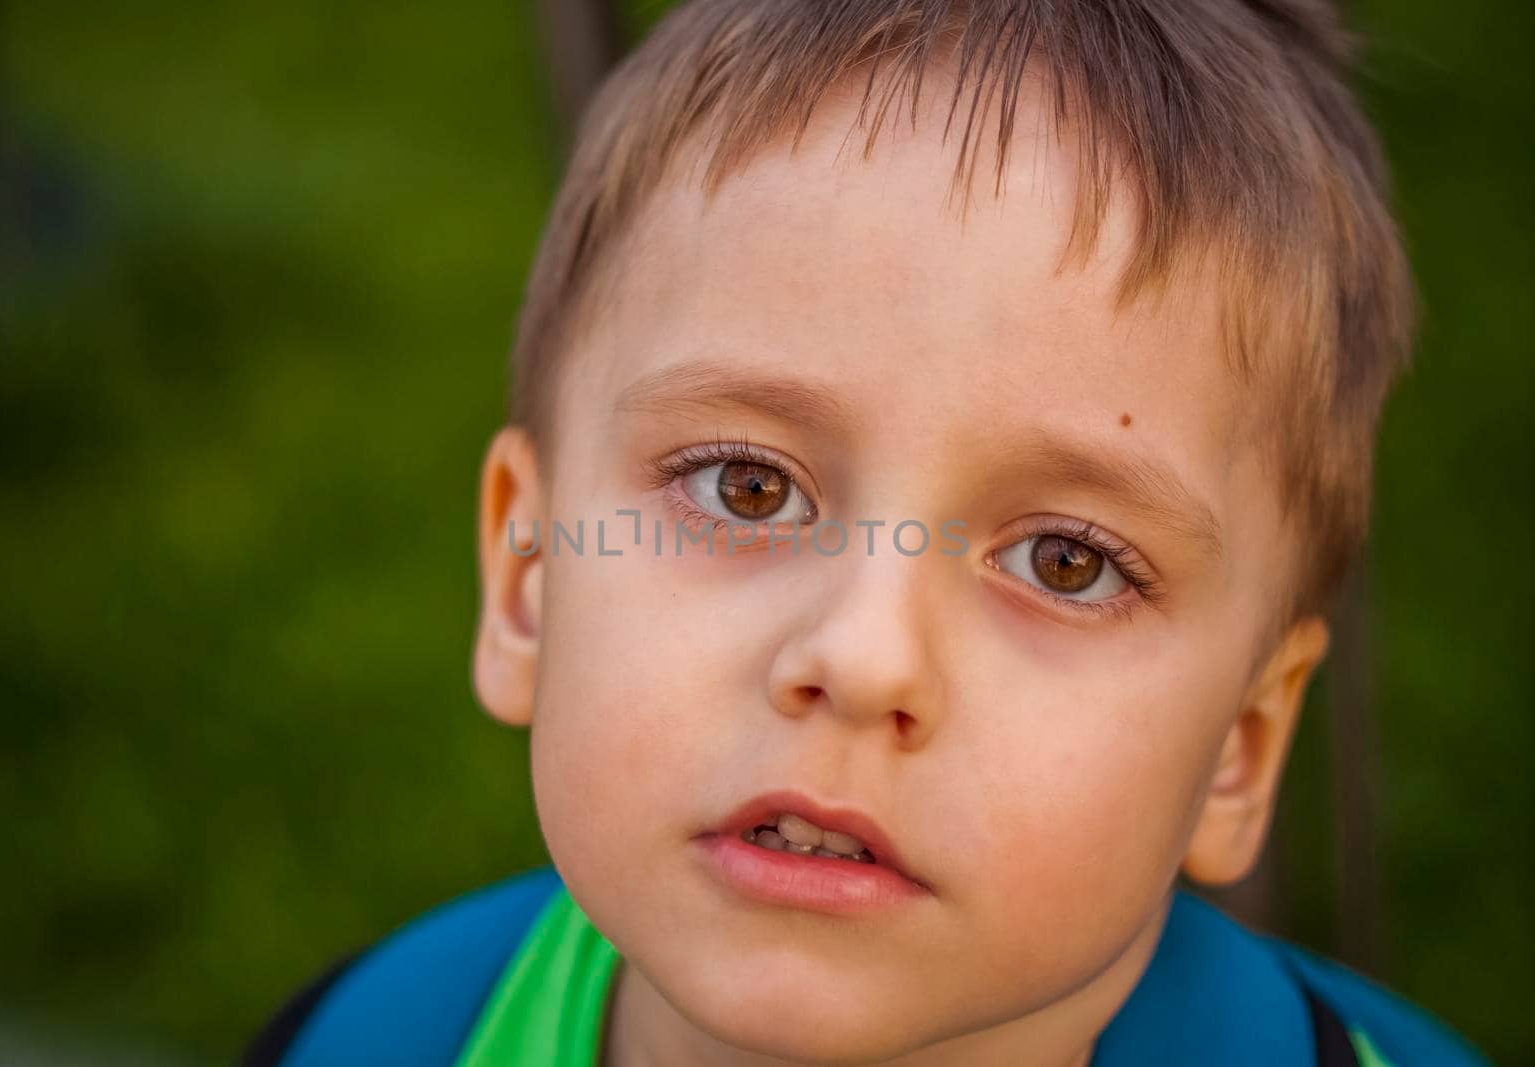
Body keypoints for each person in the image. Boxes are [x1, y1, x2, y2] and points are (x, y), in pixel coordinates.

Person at [245, 1, 1490, 1064]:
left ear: (1238, 744)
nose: (864, 656)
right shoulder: (375, 1033)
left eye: (1066, 561)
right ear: (527, 575)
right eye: (744, 486)